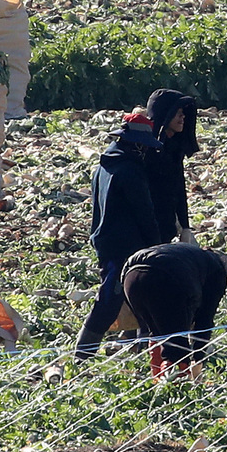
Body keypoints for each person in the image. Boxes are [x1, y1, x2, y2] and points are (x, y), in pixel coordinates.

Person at [74, 112, 164, 358]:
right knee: (110, 299)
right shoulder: (130, 170)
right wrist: (157, 246)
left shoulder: (103, 166)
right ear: (135, 144)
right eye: (144, 146)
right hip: (125, 247)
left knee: (141, 296)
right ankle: (83, 354)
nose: (146, 151)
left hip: (105, 242)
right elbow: (144, 212)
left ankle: (141, 348)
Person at [120, 241, 227, 378]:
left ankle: (156, 380)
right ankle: (174, 387)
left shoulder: (192, 255)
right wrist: (198, 358)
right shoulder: (217, 271)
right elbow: (204, 321)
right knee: (177, 346)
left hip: (130, 278)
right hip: (168, 278)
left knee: (157, 330)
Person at [145, 87, 200, 242]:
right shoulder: (148, 150)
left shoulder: (174, 148)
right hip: (148, 229)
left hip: (167, 227)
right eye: (178, 113)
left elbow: (179, 188)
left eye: (183, 113)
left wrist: (185, 226)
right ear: (165, 114)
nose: (183, 117)